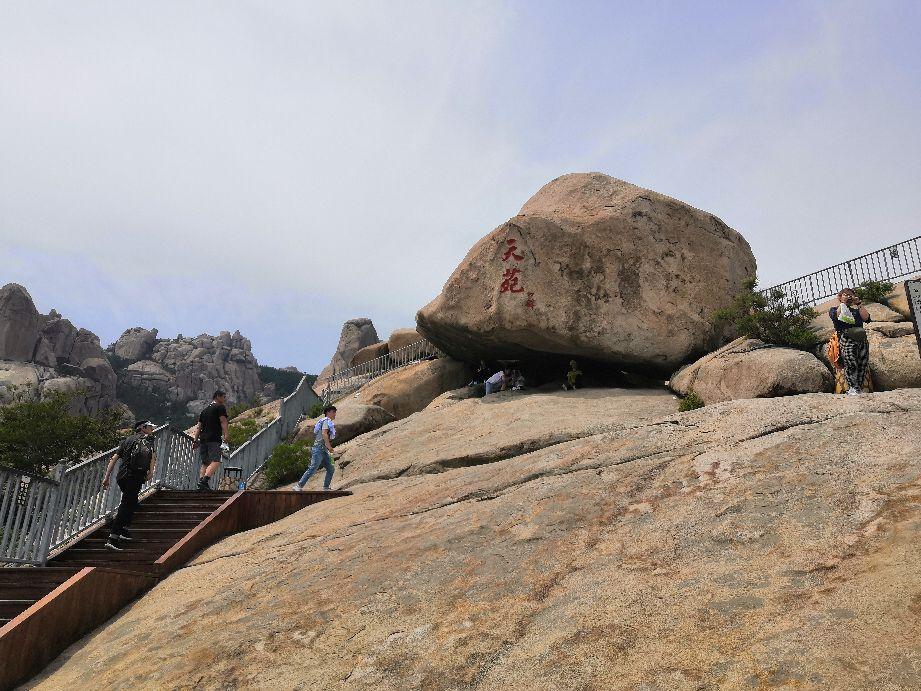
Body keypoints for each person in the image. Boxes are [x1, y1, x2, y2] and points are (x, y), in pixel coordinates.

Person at [102, 420, 157, 551]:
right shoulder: (148, 439)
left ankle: (123, 530)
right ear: (143, 428)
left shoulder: (127, 440)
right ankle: (113, 537)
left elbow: (114, 458)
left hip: (122, 476)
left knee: (131, 502)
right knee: (127, 504)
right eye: (150, 427)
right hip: (135, 476)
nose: (152, 429)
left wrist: (107, 477)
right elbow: (153, 457)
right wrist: (151, 472)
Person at [828, 288, 872, 395]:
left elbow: (866, 318)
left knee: (862, 363)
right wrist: (842, 303)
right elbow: (837, 316)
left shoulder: (856, 311)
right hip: (846, 338)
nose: (848, 296)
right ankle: (852, 387)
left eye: (851, 295)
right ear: (839, 297)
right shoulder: (834, 309)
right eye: (845, 294)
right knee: (851, 363)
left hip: (861, 339)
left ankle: (858, 388)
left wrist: (859, 304)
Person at [293, 406, 337, 491]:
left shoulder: (328, 422)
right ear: (328, 412)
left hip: (323, 450)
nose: (335, 414)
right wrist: (329, 447)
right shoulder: (326, 421)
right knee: (313, 467)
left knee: (331, 469)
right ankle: (298, 486)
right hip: (319, 448)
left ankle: (326, 487)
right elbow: (324, 434)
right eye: (333, 412)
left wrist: (327, 448)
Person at [192, 390, 230, 490]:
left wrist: (195, 440)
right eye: (223, 397)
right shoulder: (220, 407)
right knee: (216, 461)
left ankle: (201, 484)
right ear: (218, 396)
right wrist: (226, 435)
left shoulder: (204, 411)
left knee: (205, 463)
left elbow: (198, 427)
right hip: (214, 438)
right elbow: (223, 421)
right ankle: (204, 480)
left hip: (203, 440)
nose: (224, 399)